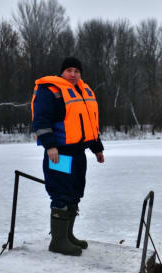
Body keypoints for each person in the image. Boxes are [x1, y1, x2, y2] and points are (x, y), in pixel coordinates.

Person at [31, 57, 104, 256]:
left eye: (76, 71)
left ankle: (68, 236)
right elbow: (41, 120)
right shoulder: (51, 91)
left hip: (78, 152)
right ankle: (58, 241)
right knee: (61, 193)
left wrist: (97, 148)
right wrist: (50, 146)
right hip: (59, 153)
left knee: (74, 193)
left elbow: (89, 123)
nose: (73, 74)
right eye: (69, 70)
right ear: (62, 72)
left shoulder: (82, 91)